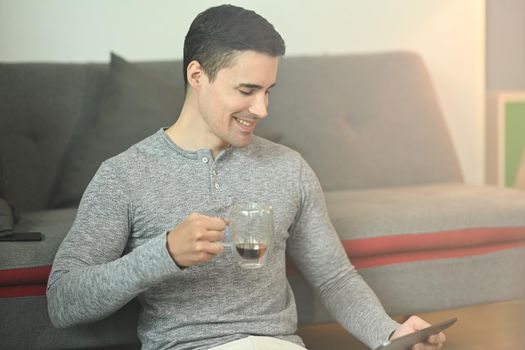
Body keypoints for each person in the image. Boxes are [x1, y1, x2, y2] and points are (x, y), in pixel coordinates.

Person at [47, 4, 446, 350]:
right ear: (197, 75)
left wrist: (390, 333)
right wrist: (163, 253)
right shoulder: (125, 175)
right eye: (247, 90)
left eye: (269, 90)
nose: (262, 108)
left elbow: (335, 278)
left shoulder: (289, 167)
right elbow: (64, 301)